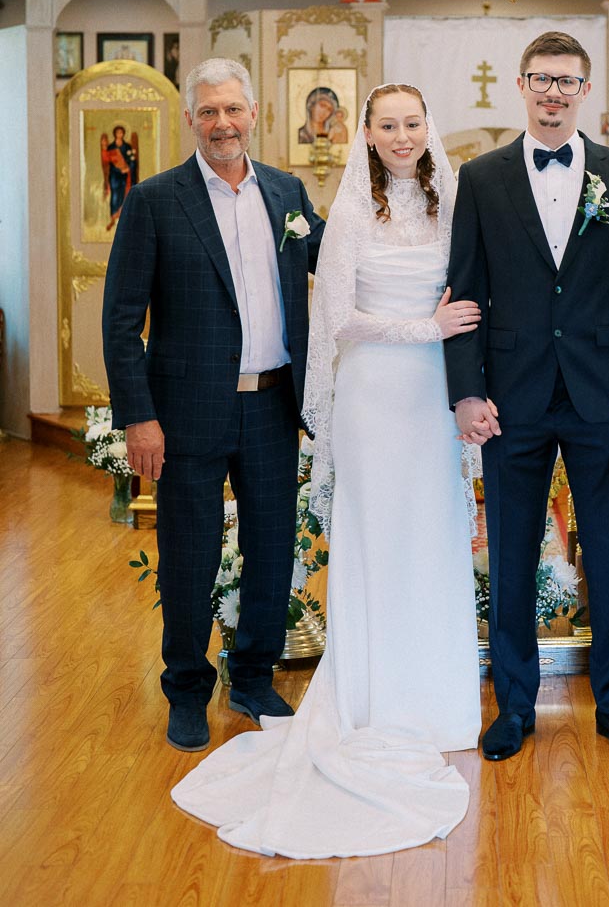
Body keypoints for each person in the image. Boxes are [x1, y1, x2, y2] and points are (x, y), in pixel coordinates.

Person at [172, 84, 483, 857]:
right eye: (389, 125)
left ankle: (439, 702)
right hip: (377, 394)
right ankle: (373, 698)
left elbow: (476, 295)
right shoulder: (345, 215)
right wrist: (427, 325)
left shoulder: (453, 207)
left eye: (414, 122)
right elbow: (337, 317)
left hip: (434, 398)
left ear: (426, 128)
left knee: (433, 539)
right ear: (367, 135)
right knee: (378, 540)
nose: (403, 135)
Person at [444, 30, 609, 763]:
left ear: (585, 90)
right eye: (541, 79)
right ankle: (513, 707)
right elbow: (466, 291)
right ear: (521, 84)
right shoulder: (481, 178)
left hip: (603, 393)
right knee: (510, 553)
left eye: (567, 81)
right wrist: (467, 393)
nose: (553, 92)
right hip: (513, 393)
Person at [102, 57, 324, 753]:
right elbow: (119, 320)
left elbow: (339, 269)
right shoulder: (156, 201)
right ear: (192, 120)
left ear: (254, 114)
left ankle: (254, 678)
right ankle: (187, 690)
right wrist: (139, 417)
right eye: (209, 112)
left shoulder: (287, 193)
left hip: (270, 407)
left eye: (233, 109)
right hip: (185, 414)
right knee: (189, 558)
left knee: (269, 550)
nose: (223, 123)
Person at [101, 124, 138, 230]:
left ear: (123, 134)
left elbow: (132, 161)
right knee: (115, 196)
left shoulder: (127, 147)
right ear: (115, 134)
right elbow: (109, 163)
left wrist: (128, 168)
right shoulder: (111, 147)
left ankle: (124, 219)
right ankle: (113, 218)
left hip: (125, 176)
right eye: (117, 133)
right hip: (114, 175)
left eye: (121, 132)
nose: (119, 134)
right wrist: (119, 170)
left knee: (125, 194)